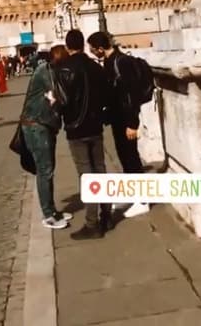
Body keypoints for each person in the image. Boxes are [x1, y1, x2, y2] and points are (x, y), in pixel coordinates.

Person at [53, 29, 112, 240]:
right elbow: (107, 96)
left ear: (68, 46)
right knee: (100, 169)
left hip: (76, 129)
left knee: (87, 176)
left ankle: (92, 223)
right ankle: (107, 213)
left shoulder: (63, 69)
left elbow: (62, 101)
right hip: (95, 127)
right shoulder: (96, 68)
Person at [88, 32, 149, 218]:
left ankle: (143, 200)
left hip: (126, 119)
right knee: (125, 157)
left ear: (100, 48)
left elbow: (131, 95)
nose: (91, 53)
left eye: (92, 49)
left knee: (132, 158)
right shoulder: (109, 61)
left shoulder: (121, 62)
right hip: (117, 118)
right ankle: (134, 194)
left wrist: (132, 123)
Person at [21, 44, 71, 230]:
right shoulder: (46, 72)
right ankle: (48, 215)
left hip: (45, 124)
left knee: (48, 168)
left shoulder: (51, 71)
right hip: (36, 126)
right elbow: (59, 96)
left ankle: (51, 209)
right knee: (45, 169)